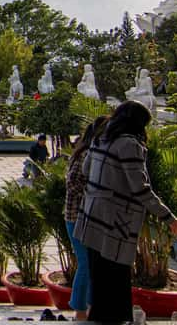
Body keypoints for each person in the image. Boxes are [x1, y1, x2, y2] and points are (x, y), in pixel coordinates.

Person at [74, 102, 177, 323]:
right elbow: (140, 188)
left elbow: (85, 171)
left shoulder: (100, 138)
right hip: (115, 222)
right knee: (116, 277)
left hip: (91, 217)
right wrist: (167, 217)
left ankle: (99, 317)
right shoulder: (129, 145)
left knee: (99, 276)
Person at [63, 116, 109, 320]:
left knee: (90, 263)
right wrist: (96, 194)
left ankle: (87, 309)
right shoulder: (86, 154)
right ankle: (80, 310)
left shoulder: (93, 152)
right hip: (78, 216)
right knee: (86, 263)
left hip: (87, 216)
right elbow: (72, 183)